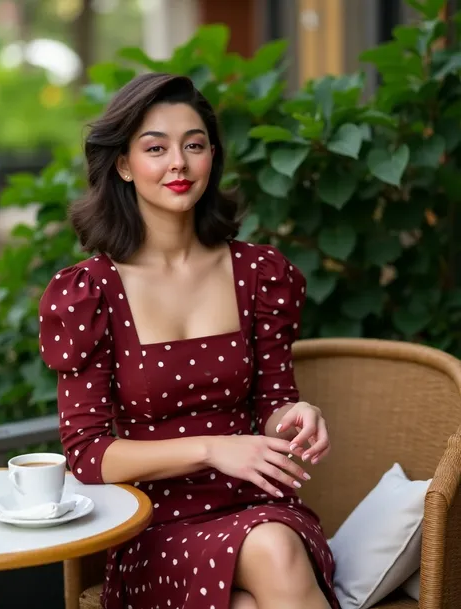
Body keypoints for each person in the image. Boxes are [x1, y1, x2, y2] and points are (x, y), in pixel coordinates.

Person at [39, 72, 338, 609]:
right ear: (125, 165)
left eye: (194, 145)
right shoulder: (90, 292)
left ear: (211, 158)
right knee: (260, 576)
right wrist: (211, 448)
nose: (178, 162)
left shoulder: (257, 273)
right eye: (156, 148)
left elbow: (272, 406)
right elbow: (87, 456)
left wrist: (295, 415)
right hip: (153, 530)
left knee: (269, 554)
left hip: (262, 509)